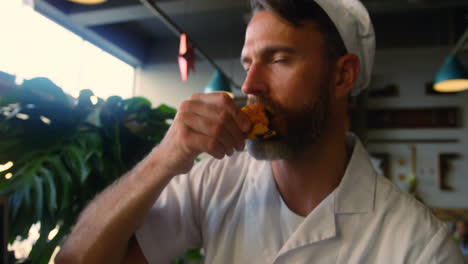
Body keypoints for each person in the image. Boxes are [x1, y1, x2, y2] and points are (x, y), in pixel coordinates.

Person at [56, 0, 465, 263]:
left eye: (279, 59)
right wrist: (164, 160)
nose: (249, 85)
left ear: (343, 76)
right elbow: (76, 260)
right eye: (248, 62)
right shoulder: (218, 179)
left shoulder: (419, 247)